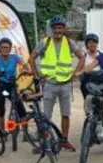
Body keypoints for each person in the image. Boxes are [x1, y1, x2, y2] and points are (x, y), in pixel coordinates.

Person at [30, 15, 85, 151]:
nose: (58, 31)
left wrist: (76, 73)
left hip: (66, 84)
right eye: (55, 28)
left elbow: (82, 57)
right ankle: (46, 140)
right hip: (50, 84)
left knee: (65, 113)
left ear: (64, 29)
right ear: (52, 29)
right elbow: (31, 58)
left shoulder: (69, 42)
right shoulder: (45, 42)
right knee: (46, 115)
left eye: (60, 28)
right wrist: (37, 75)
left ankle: (64, 139)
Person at [0, 38, 32, 131]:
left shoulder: (14, 57)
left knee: (21, 109)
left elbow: (25, 64)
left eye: (7, 47)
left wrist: (28, 70)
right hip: (1, 87)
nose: (5, 49)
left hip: (12, 86)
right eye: (3, 47)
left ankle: (26, 133)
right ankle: (2, 132)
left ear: (10, 48)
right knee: (0, 111)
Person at [80, 33, 101, 99]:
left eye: (94, 42)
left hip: (99, 83)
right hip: (87, 83)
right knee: (88, 104)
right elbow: (81, 68)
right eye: (89, 42)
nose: (92, 44)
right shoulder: (84, 55)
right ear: (87, 45)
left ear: (97, 43)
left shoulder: (102, 55)